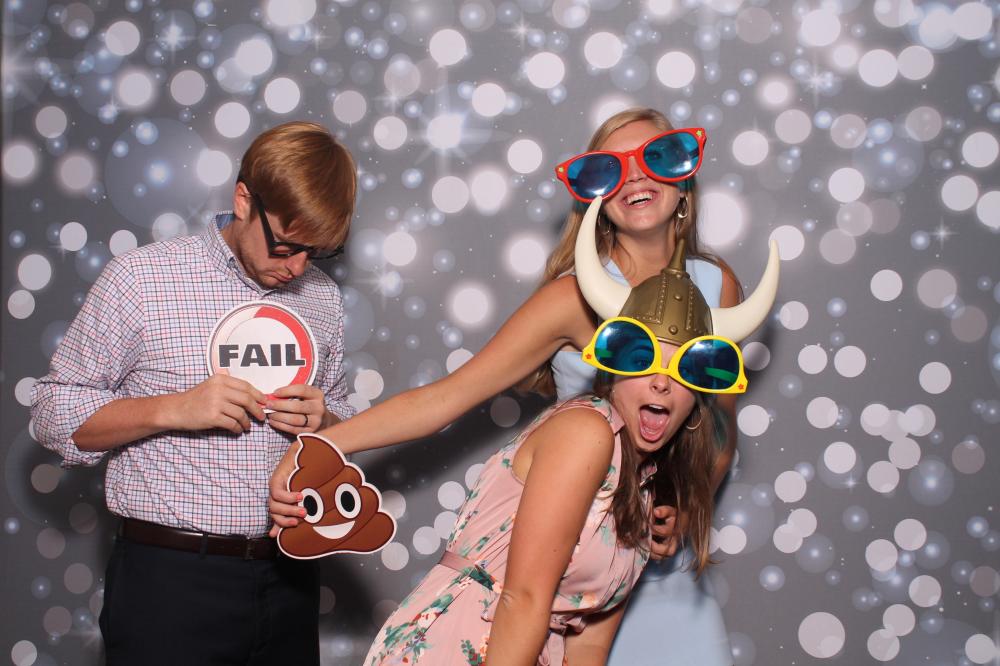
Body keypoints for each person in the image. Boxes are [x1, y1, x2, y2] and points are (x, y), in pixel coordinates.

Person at [268, 108, 757, 660]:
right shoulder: (572, 297)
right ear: (594, 196)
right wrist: (326, 445)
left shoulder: (717, 287)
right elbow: (446, 397)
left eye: (658, 156)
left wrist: (689, 504)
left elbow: (719, 424)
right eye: (610, 168)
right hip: (566, 559)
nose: (636, 177)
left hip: (649, 560)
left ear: (684, 177)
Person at [362, 208, 776, 664]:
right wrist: (326, 444)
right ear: (611, 366)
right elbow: (523, 599)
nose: (661, 382)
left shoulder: (643, 490)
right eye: (642, 360)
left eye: (683, 368)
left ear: (699, 394)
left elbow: (590, 643)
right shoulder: (587, 430)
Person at [31, 121, 356, 666]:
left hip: (291, 574)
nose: (297, 267)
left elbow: (345, 420)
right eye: (285, 245)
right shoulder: (143, 278)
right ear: (244, 200)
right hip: (171, 581)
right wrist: (172, 409)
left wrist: (326, 422)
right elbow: (51, 411)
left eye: (316, 251)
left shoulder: (321, 297)